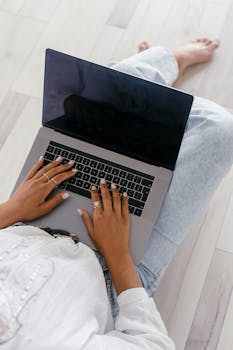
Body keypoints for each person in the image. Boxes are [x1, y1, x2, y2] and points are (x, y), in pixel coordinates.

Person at [1, 38, 233, 350]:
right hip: (116, 268)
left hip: (27, 221)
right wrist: (119, 256)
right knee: (220, 130)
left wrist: (12, 210)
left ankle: (164, 66)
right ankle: (151, 83)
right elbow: (154, 345)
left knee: (114, 85)